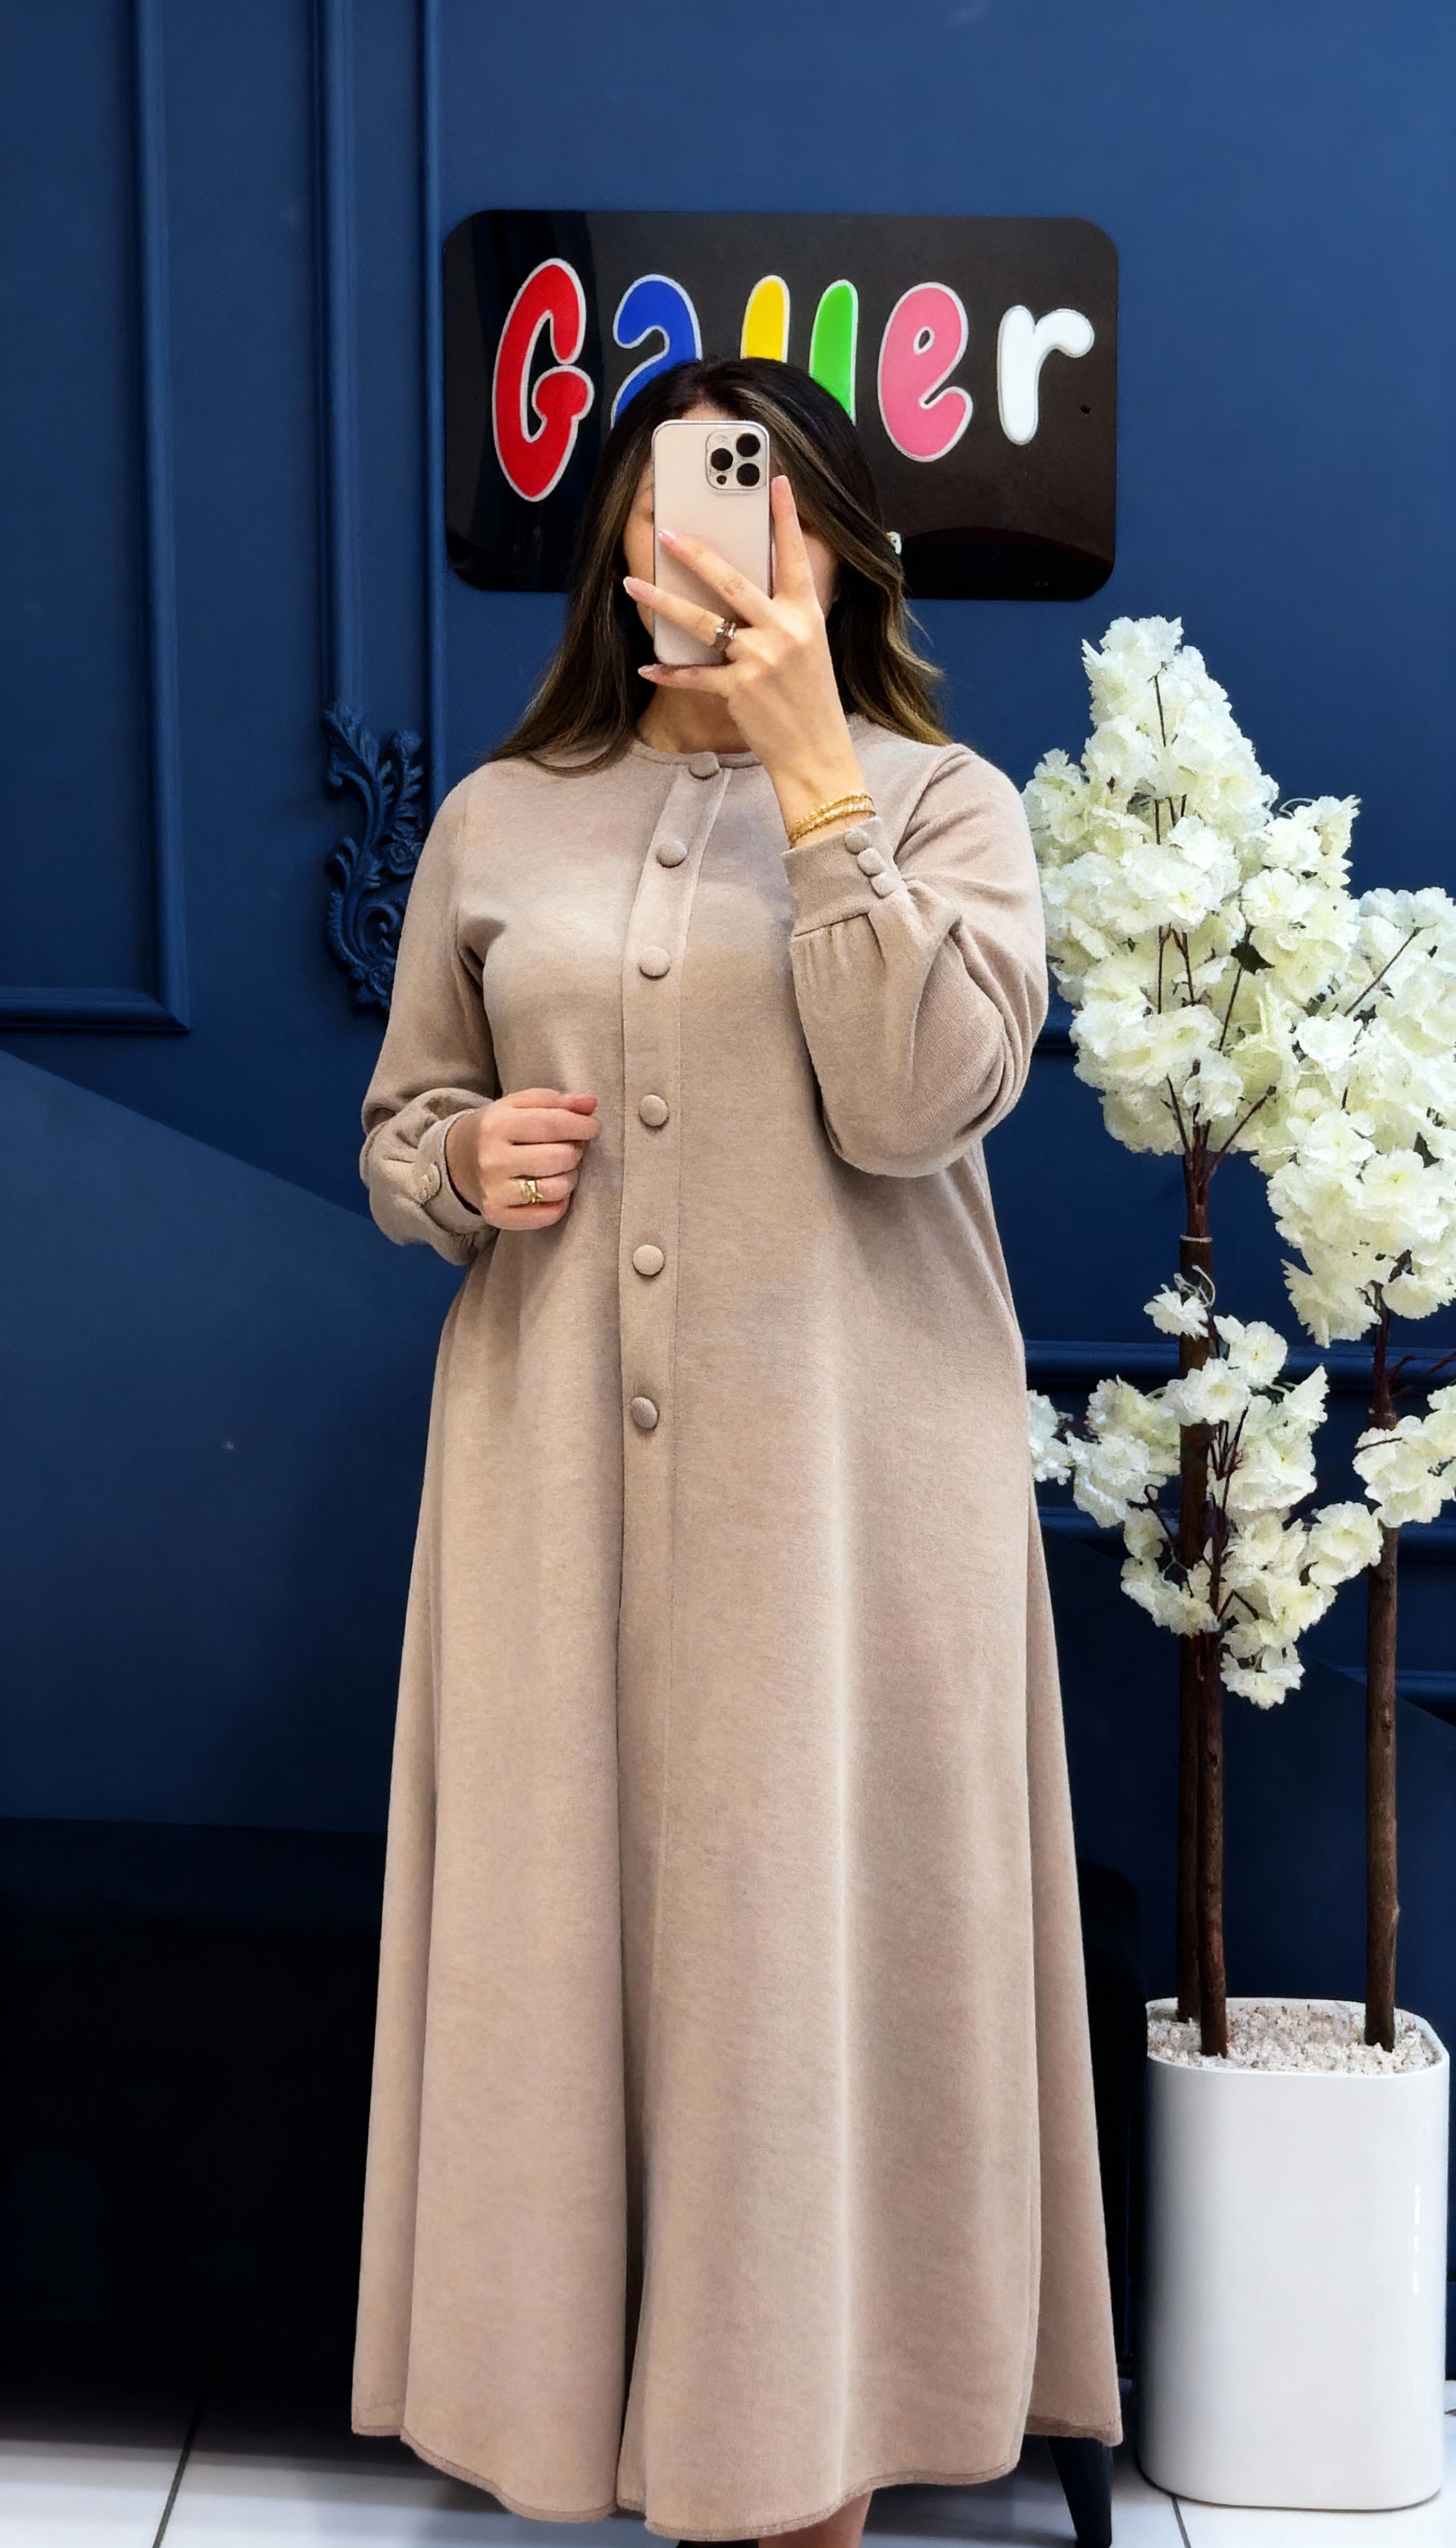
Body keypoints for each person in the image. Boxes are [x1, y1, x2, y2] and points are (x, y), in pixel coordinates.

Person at [350, 355, 1120, 2545]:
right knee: (565, 1951)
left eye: (755, 506)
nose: (701, 546)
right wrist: (459, 1160)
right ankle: (588, 2419)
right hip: (548, 1498)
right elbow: (402, 1121)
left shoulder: (945, 808)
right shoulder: (502, 816)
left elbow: (917, 1101)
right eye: (666, 508)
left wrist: (813, 781)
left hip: (849, 1517)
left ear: (836, 549)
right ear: (616, 553)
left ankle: (795, 2465)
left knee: (807, 1965)